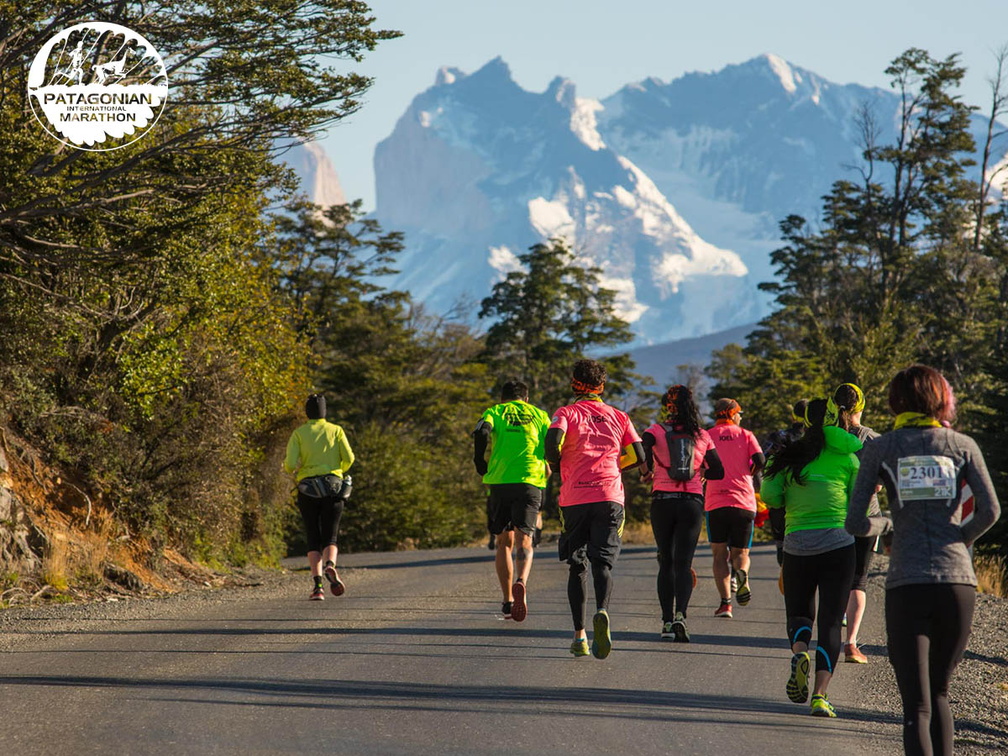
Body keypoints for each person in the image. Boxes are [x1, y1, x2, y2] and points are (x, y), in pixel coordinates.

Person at [846, 365, 1000, 754]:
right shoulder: (962, 445)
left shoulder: (882, 448)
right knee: (941, 693)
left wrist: (890, 526)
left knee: (916, 705)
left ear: (895, 401)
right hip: (957, 582)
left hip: (907, 582)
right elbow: (990, 511)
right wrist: (959, 538)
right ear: (942, 399)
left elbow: (855, 522)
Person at [761, 398, 861, 718]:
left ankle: (800, 652)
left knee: (800, 614)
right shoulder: (848, 458)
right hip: (839, 545)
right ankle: (819, 696)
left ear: (804, 420)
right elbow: (858, 502)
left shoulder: (788, 455)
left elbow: (770, 496)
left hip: (797, 545)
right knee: (831, 622)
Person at [545, 359, 643, 659]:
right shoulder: (619, 416)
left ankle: (580, 637)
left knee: (577, 565)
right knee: (602, 563)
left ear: (575, 384)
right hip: (609, 496)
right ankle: (602, 611)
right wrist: (615, 465)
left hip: (575, 496)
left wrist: (559, 466)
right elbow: (639, 455)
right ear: (601, 387)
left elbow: (552, 443)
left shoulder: (566, 413)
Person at [641, 385, 724, 642]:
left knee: (666, 561)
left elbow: (640, 452)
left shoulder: (655, 431)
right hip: (692, 502)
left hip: (663, 502)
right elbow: (718, 470)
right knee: (684, 564)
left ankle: (666, 622)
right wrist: (701, 472)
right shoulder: (702, 435)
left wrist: (646, 472)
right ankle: (681, 616)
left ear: (667, 406)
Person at [472, 380, 551, 622]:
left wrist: (479, 461)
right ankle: (521, 582)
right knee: (524, 541)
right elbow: (554, 443)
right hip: (530, 481)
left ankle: (507, 602)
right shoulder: (539, 415)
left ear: (503, 398)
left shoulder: (495, 411)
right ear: (526, 398)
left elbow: (482, 431)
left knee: (503, 542)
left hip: (500, 482)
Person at [284, 394, 355, 601]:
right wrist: (337, 471)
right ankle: (330, 565)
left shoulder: (299, 433)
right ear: (325, 411)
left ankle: (318, 587)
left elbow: (290, 464)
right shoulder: (336, 430)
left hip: (308, 489)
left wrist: (297, 469)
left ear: (307, 412)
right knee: (330, 536)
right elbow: (349, 458)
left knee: (313, 536)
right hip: (334, 488)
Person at [827, 383, 880, 665]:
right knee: (858, 580)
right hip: (865, 517)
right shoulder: (872, 439)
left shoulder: (826, 437)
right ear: (862, 406)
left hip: (832, 515)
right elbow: (881, 482)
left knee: (834, 579)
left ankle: (828, 638)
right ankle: (851, 644)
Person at [705, 398, 765, 618]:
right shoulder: (746, 435)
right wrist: (748, 472)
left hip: (716, 502)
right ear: (733, 414)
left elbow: (700, 463)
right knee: (741, 553)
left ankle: (725, 604)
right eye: (740, 413)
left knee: (719, 555)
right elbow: (760, 460)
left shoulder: (707, 435)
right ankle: (741, 574)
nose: (740, 417)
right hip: (743, 501)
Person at [763, 399, 808, 569]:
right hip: (809, 499)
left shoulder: (778, 437)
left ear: (793, 416)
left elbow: (761, 461)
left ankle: (786, 574)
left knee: (783, 546)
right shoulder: (819, 439)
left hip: (781, 500)